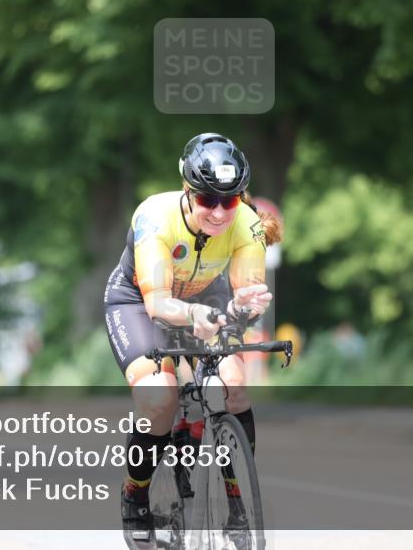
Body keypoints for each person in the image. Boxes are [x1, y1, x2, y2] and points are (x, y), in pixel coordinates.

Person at [104, 133, 281, 542]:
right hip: (140, 301)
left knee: (234, 387)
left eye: (230, 200)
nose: (219, 212)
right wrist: (196, 316)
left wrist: (243, 308)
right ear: (188, 192)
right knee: (159, 398)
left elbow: (244, 293)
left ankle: (238, 504)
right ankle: (136, 494)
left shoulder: (247, 224)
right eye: (207, 200)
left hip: (206, 294)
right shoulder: (154, 217)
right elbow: (159, 303)